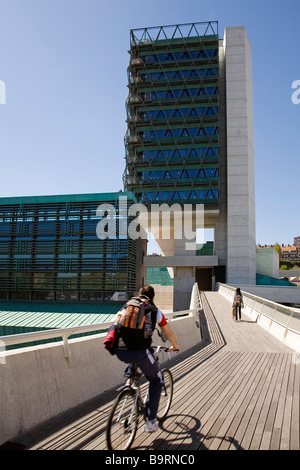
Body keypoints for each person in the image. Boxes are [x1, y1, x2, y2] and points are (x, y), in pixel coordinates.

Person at [115, 285, 179, 433]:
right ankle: (150, 422)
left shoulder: (128, 306)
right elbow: (168, 333)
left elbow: (116, 324)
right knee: (157, 380)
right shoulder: (155, 311)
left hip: (120, 349)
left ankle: (130, 386)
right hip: (139, 352)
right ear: (153, 297)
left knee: (134, 366)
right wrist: (175, 346)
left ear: (139, 294)